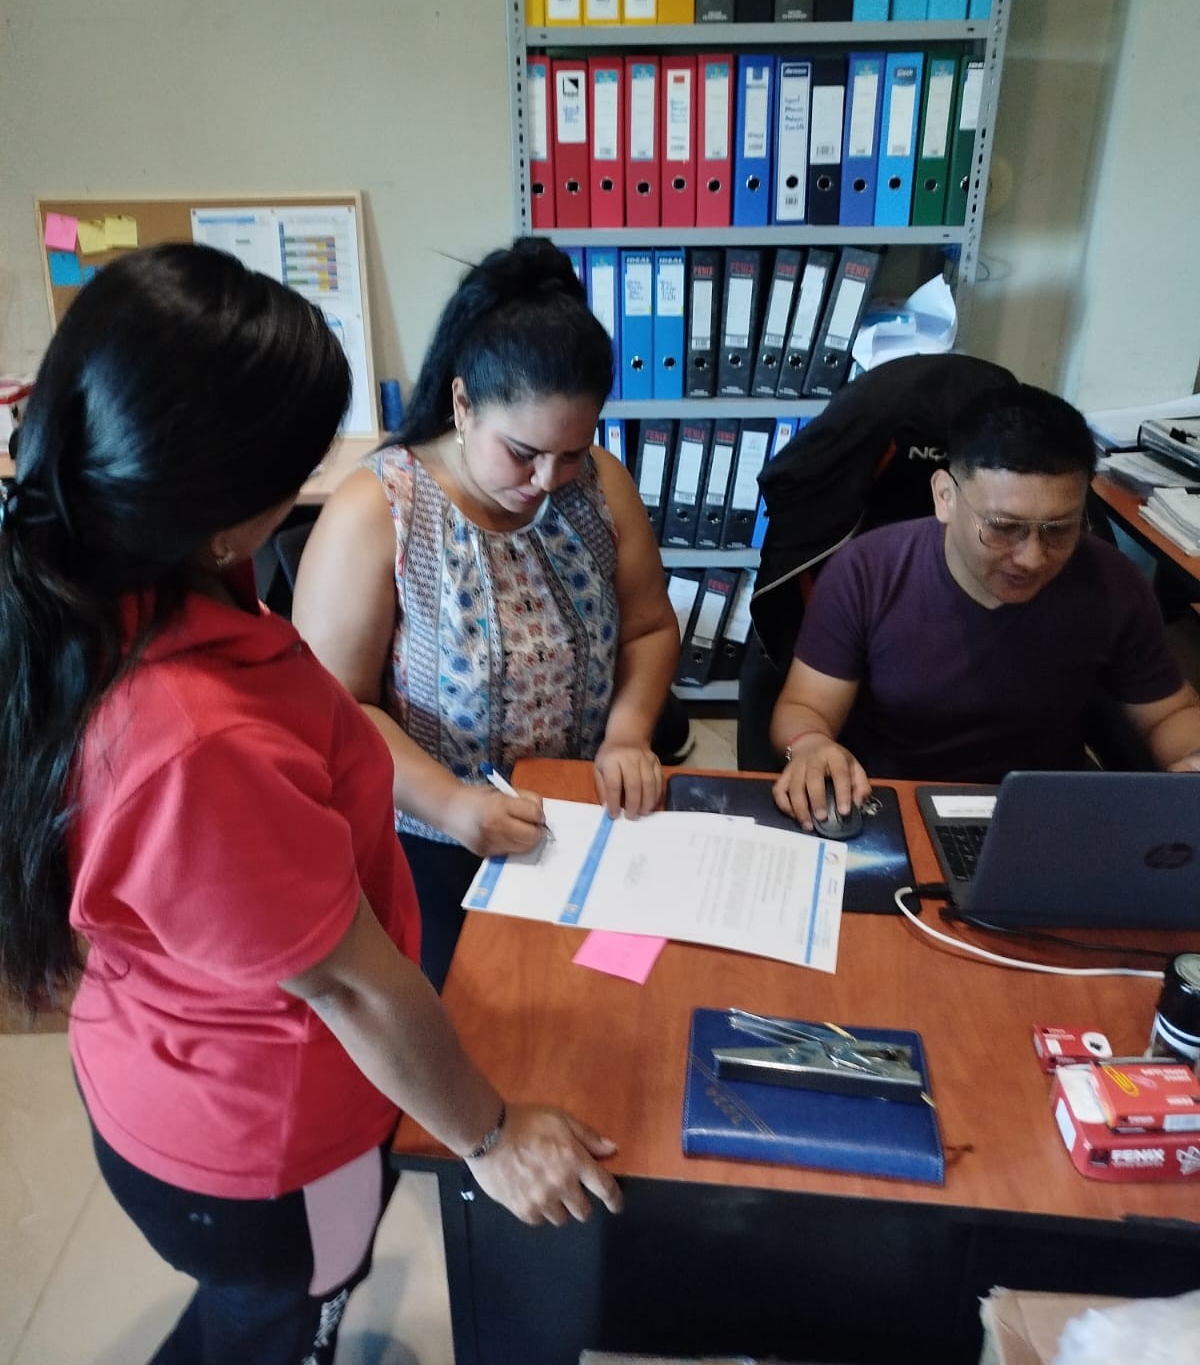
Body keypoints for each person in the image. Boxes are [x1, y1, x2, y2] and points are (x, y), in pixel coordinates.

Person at [0, 245, 621, 1365]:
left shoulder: (111, 572)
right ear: (223, 516)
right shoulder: (193, 741)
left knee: (261, 1311)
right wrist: (489, 1137)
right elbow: (349, 982)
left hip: (176, 1062)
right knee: (286, 1315)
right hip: (260, 1144)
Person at [294, 237, 680, 990]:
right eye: (523, 452)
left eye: (572, 452)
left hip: (581, 812)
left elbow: (649, 626)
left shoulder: (599, 485)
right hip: (430, 837)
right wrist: (451, 805)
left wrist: (629, 732)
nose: (548, 479)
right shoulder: (379, 510)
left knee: (618, 997)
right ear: (463, 404)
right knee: (482, 1014)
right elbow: (336, 710)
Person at [771, 382, 1200, 829]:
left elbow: (1171, 712)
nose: (1031, 557)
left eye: (1058, 529)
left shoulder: (1113, 583)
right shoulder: (868, 571)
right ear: (945, 496)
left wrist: (1193, 756)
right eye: (1003, 527)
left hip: (1038, 811)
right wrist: (810, 744)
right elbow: (805, 706)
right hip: (892, 805)